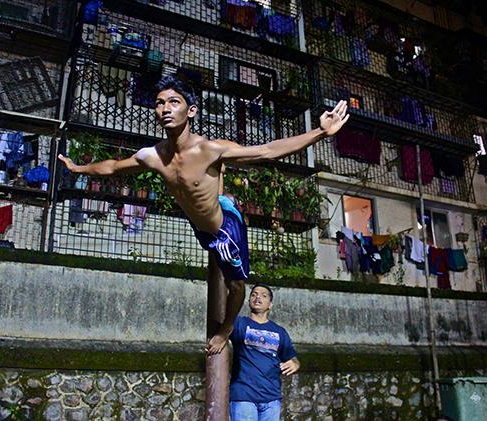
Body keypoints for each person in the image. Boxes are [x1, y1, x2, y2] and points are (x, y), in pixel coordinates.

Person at [58, 76, 349, 354]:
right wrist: (78, 169)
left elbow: (266, 151)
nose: (165, 109)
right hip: (202, 224)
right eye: (159, 103)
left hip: (225, 230)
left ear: (192, 110)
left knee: (235, 285)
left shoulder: (210, 149)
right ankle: (223, 194)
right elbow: (113, 166)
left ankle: (226, 330)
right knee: (214, 205)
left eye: (174, 102)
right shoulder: (153, 156)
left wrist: (321, 132)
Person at [229, 283, 299, 421]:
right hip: (244, 396)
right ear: (249, 301)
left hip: (271, 399)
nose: (257, 297)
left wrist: (296, 364)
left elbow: (292, 358)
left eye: (263, 295)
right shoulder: (238, 324)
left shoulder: (279, 331)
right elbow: (221, 320)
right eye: (254, 294)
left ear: (270, 305)